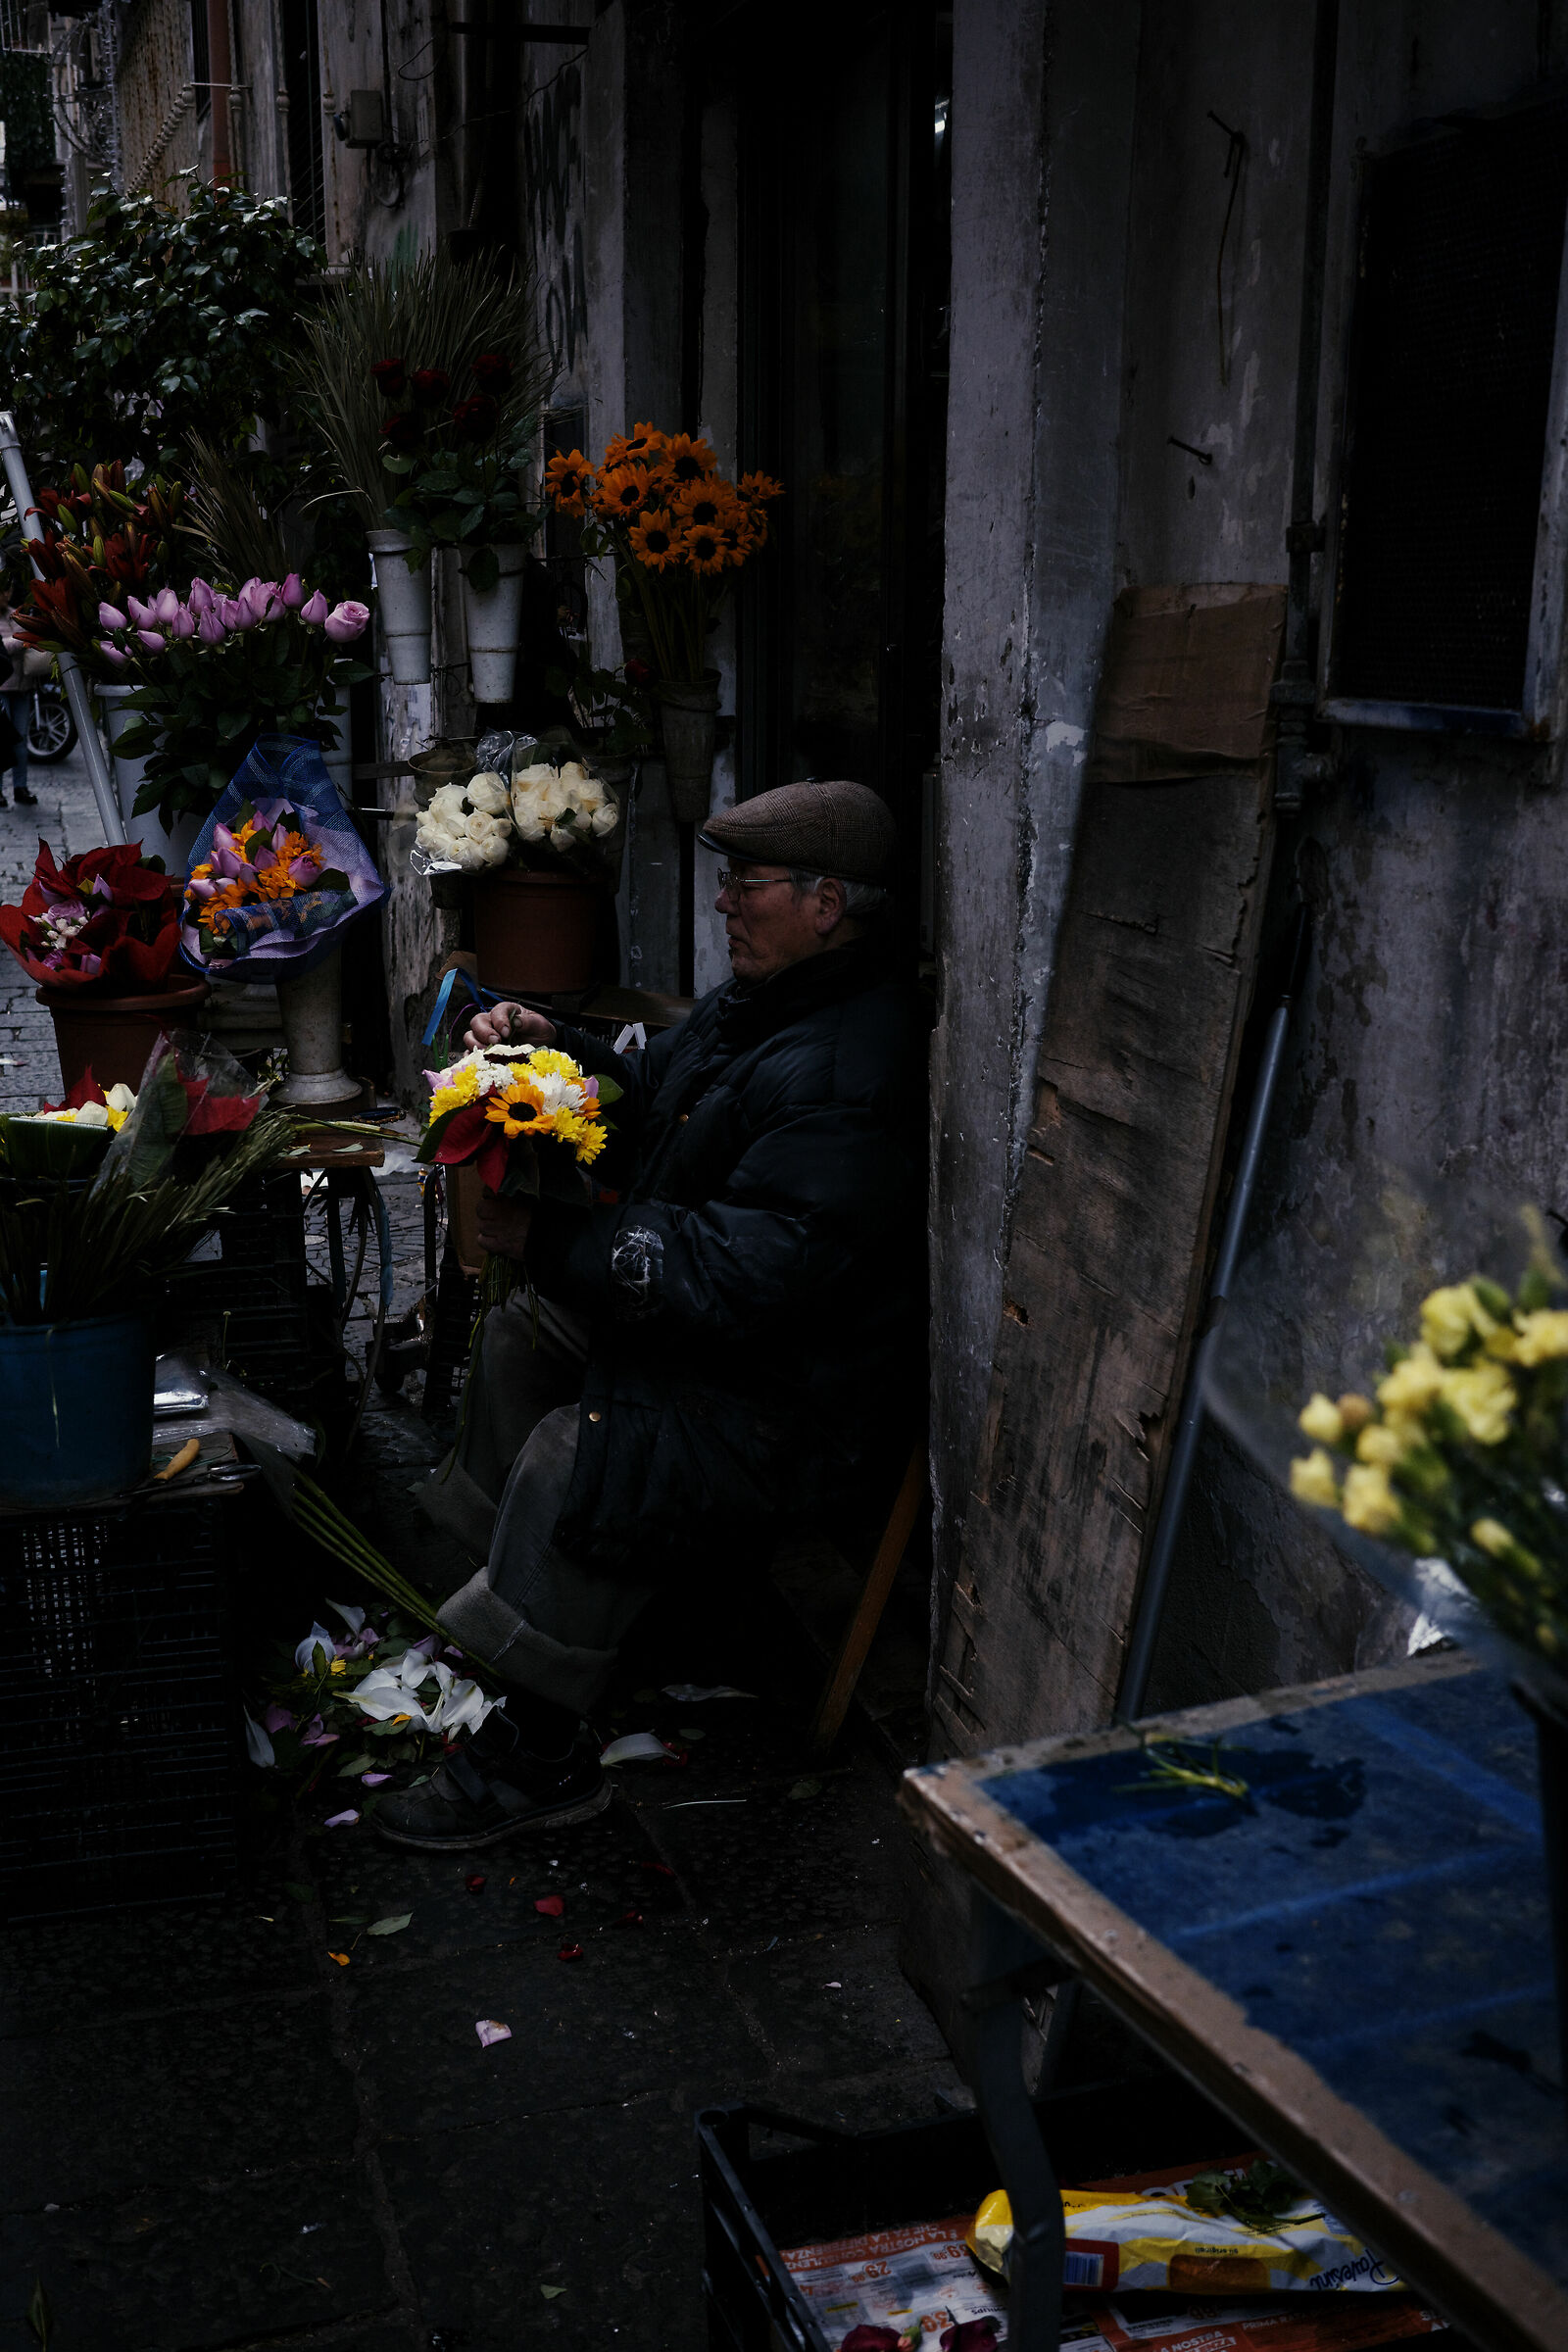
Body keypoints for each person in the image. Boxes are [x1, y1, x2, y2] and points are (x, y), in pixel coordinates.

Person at [377, 777, 926, 1850]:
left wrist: (554, 1243)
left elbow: (741, 1276)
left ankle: (536, 1754)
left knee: (572, 1451)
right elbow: (654, 1093)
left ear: (828, 902)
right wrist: (552, 1044)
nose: (724, 904)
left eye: (749, 885)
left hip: (792, 1393)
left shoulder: (851, 1063)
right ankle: (509, 1622)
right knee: (520, 1341)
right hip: (733, 1341)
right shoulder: (766, 1002)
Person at [0, 600, 39, 808]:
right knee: (1, 740)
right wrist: (21, 641)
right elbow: (9, 645)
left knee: (21, 739)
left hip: (22, 685)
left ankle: (20, 787)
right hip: (2, 686)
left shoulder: (14, 614)